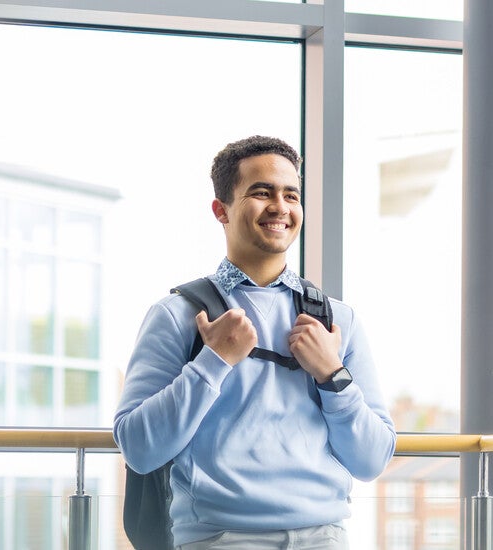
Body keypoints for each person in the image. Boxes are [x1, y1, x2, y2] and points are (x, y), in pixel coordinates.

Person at [114, 136, 396, 550]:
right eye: (261, 193)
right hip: (218, 539)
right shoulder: (176, 315)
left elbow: (372, 460)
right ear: (221, 210)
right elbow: (138, 449)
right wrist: (213, 361)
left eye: (291, 195)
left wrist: (333, 375)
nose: (280, 206)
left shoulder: (336, 321)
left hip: (325, 537)